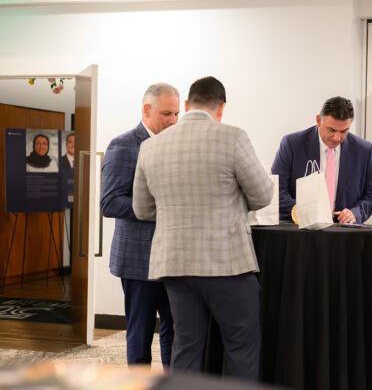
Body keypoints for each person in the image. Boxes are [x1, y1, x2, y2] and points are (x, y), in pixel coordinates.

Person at [132, 76, 273, 380]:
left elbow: (141, 210)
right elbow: (262, 195)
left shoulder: (150, 147)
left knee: (186, 345)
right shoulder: (233, 137)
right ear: (221, 108)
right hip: (227, 264)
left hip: (175, 264)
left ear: (186, 105)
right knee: (241, 345)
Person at [100, 82, 180, 370]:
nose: (173, 121)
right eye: (166, 114)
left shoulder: (177, 146)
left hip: (174, 258)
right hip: (137, 261)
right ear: (147, 110)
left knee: (176, 330)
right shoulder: (122, 145)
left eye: (176, 115)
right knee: (141, 333)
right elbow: (109, 203)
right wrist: (158, 209)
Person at [271, 96, 372, 224]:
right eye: (331, 130)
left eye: (344, 131)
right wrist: (302, 211)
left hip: (345, 234)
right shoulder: (292, 144)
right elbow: (275, 191)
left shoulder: (364, 150)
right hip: (300, 232)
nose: (337, 137)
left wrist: (355, 213)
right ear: (318, 120)